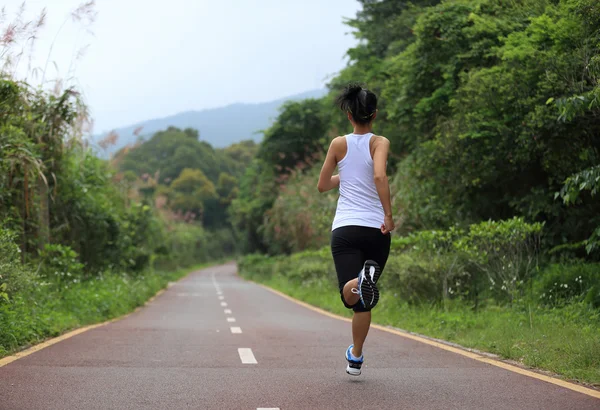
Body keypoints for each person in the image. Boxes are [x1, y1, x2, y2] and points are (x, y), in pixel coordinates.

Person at [317, 83, 394, 376]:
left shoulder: (338, 144)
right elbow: (379, 174)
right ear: (373, 115)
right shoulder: (380, 142)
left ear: (349, 116)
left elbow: (322, 185)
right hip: (376, 229)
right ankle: (356, 355)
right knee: (365, 299)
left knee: (351, 295)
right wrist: (388, 215)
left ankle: (361, 280)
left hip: (346, 229)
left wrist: (344, 175)